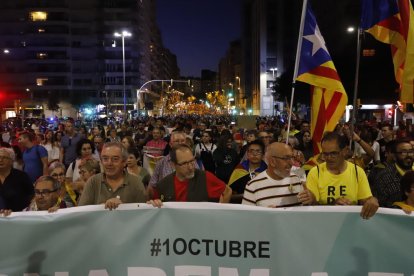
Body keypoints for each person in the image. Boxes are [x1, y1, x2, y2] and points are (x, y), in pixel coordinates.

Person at [297, 131, 379, 219]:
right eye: (325, 154)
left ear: (345, 151)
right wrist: (311, 199)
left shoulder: (357, 171)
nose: (328, 158)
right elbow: (314, 206)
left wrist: (372, 201)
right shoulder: (315, 172)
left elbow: (366, 201)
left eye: (333, 153)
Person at [149, 144, 232, 205]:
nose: (190, 167)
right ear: (173, 165)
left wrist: (220, 212)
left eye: (192, 161)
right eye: (184, 163)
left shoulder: (205, 177)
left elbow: (227, 191)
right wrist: (154, 203)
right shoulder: (163, 185)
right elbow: (156, 204)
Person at [78, 142, 147, 210]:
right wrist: (102, 208)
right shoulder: (93, 182)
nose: (109, 163)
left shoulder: (136, 183)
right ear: (101, 161)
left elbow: (142, 214)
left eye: (115, 159)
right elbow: (82, 213)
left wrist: (123, 208)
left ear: (124, 162)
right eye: (105, 159)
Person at [242, 142, 304, 207]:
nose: (292, 162)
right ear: (272, 162)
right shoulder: (253, 185)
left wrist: (312, 200)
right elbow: (246, 216)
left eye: (292, 157)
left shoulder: (296, 179)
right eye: (286, 158)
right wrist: (265, 215)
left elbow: (305, 210)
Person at [370, 138, 414, 207]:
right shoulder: (383, 177)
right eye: (403, 152)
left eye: (411, 151)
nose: (408, 155)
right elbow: (379, 206)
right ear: (394, 156)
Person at [0, 147, 34, 211]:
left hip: (18, 216)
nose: (0, 160)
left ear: (11, 161)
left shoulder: (22, 176)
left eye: (4, 158)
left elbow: (32, 195)